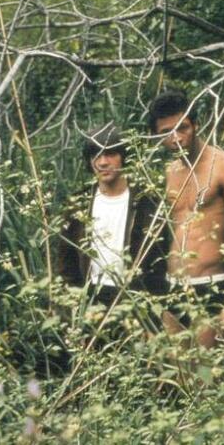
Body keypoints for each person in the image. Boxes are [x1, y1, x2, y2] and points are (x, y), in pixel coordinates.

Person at [148, 90, 224, 348]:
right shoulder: (169, 172)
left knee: (205, 369)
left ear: (196, 124)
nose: (176, 138)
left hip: (210, 286)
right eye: (166, 132)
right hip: (173, 287)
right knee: (177, 369)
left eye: (182, 128)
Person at [57, 124, 168, 309]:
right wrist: (71, 306)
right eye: (96, 155)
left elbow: (161, 259)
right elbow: (66, 264)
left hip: (137, 298)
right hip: (91, 299)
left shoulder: (146, 201)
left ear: (123, 156)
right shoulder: (79, 204)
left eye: (110, 154)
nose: (102, 162)